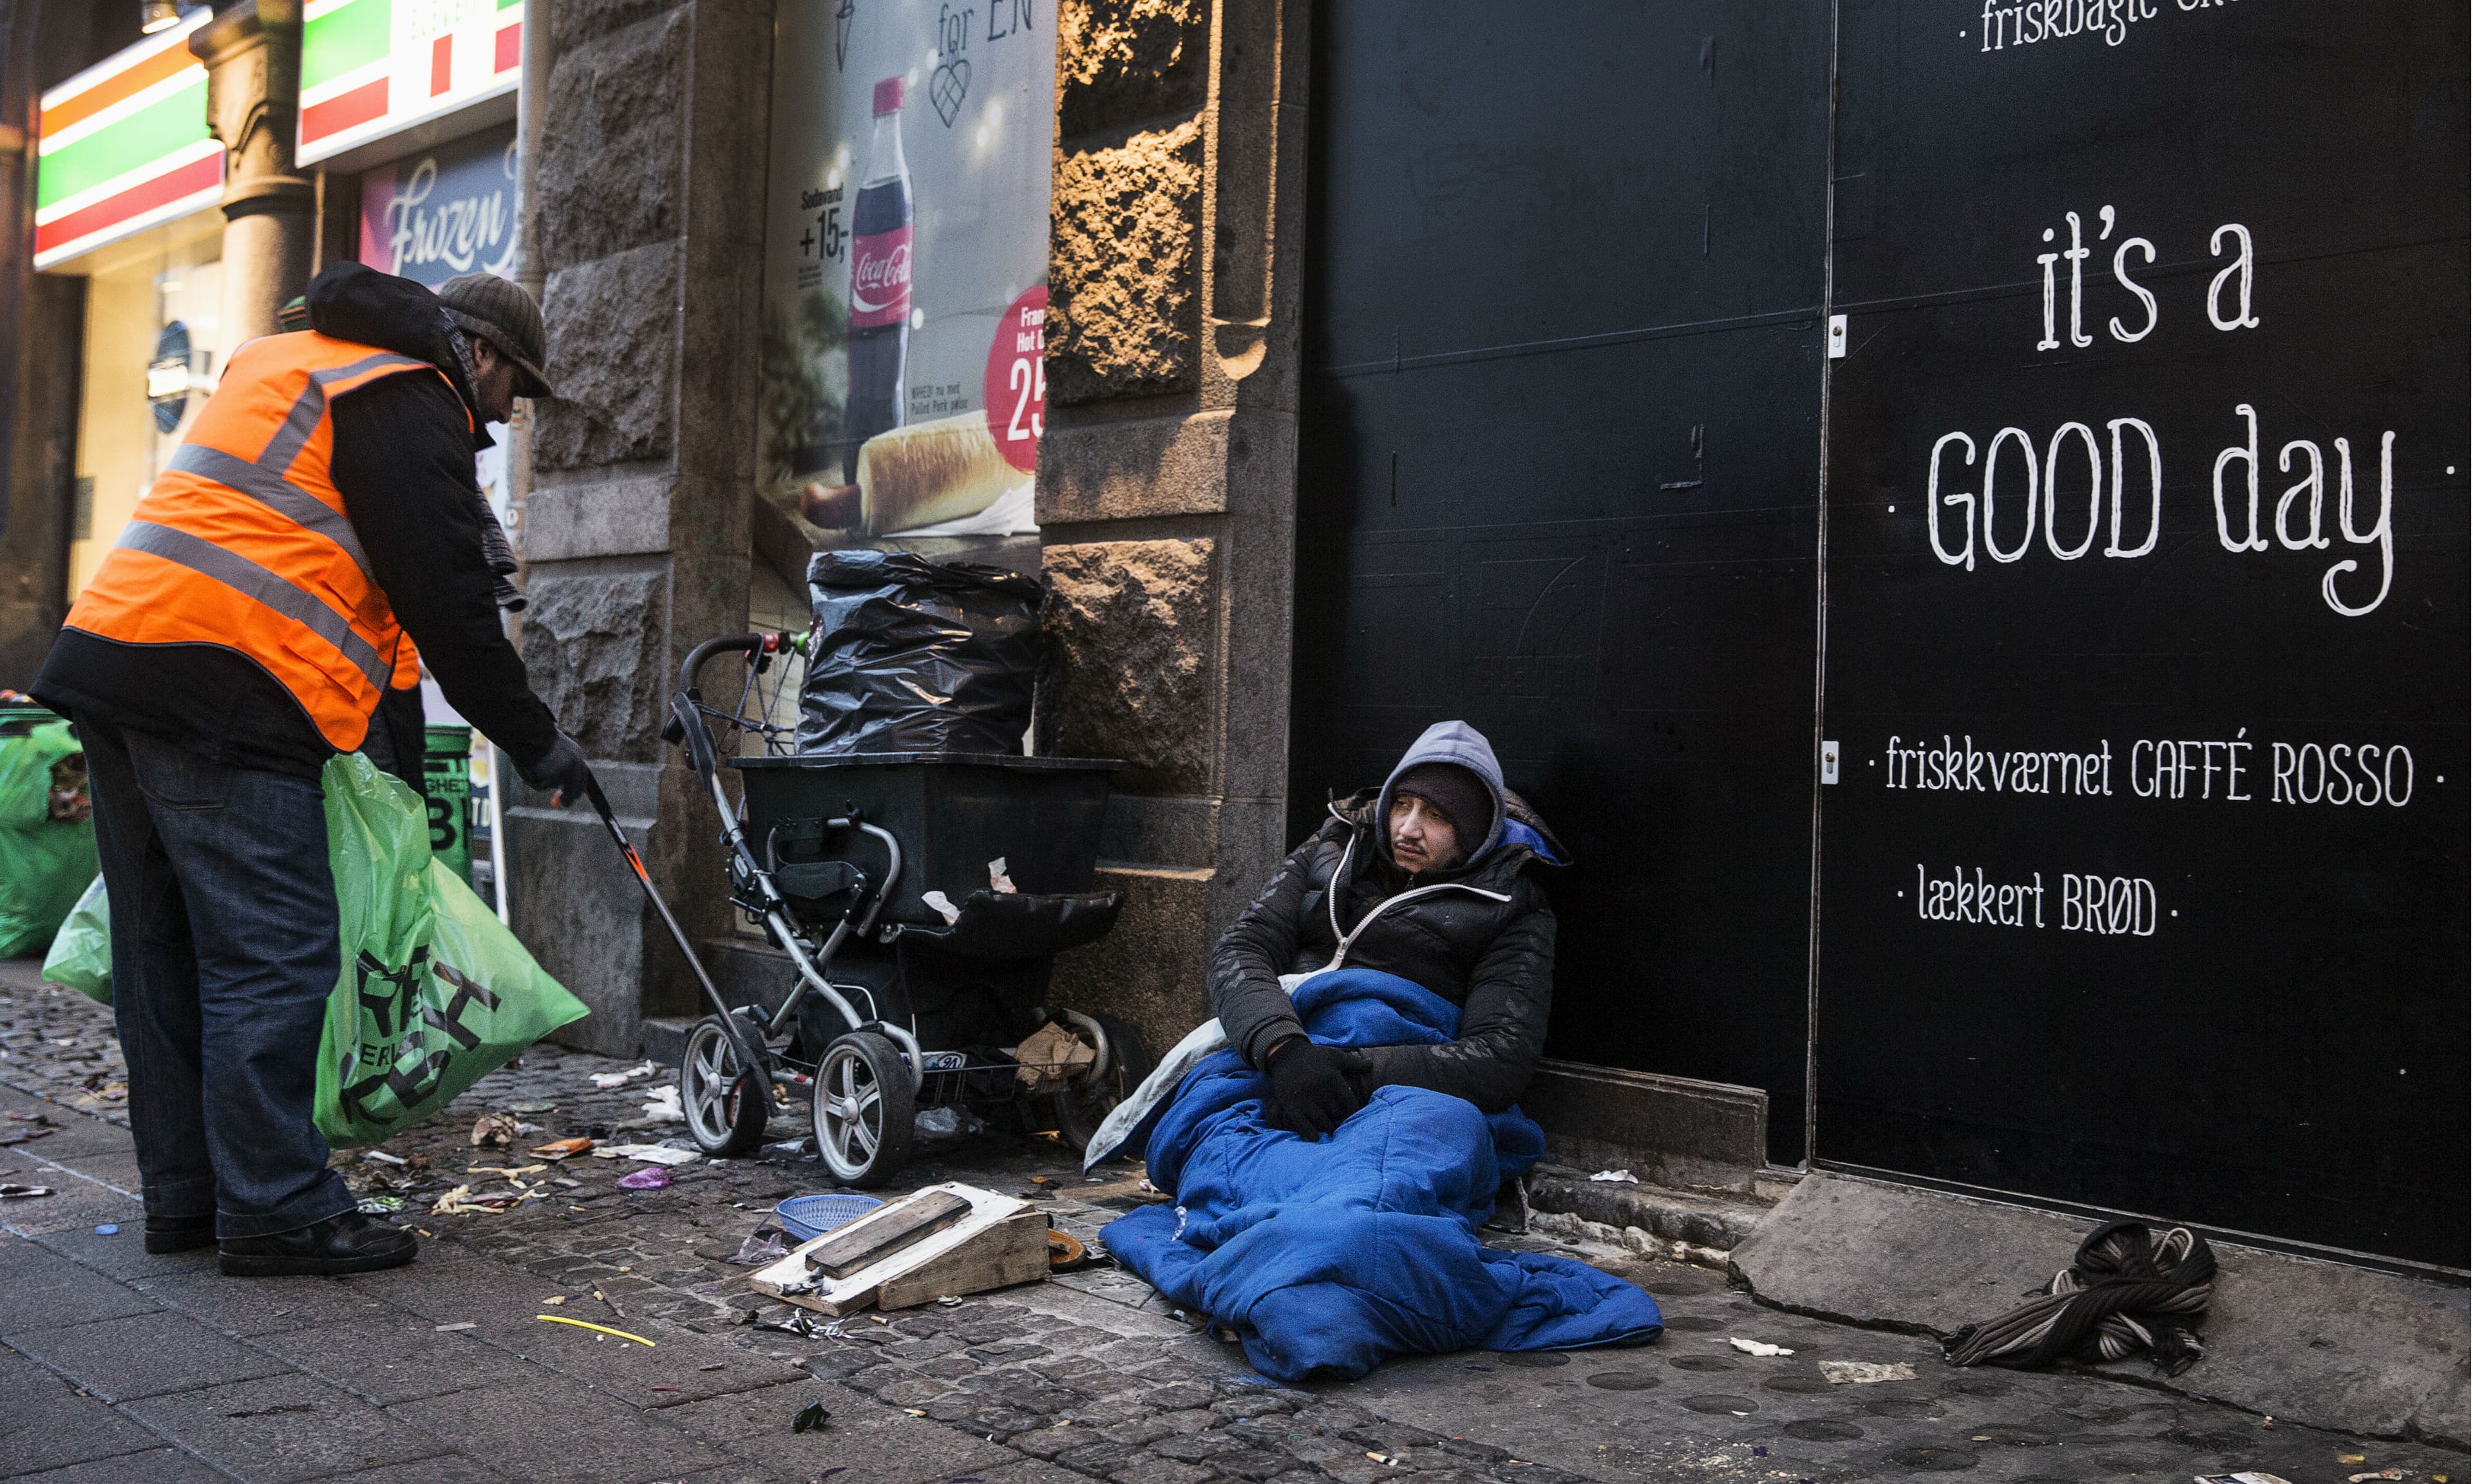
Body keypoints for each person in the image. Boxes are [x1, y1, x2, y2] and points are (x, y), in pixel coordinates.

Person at [30, 264, 598, 1277]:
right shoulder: (407, 395)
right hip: (223, 685)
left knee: (162, 944)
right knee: (275, 952)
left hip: (117, 657)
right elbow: (452, 612)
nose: (507, 419)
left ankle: (189, 1197)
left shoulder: (291, 361)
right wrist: (537, 740)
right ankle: (276, 1206)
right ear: (477, 353)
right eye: (516, 389)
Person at [1208, 720, 1566, 1138]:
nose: (1408, 829)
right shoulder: (1335, 845)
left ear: (1470, 837)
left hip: (1400, 1086)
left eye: (1436, 816)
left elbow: (1501, 1054)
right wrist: (1285, 1050)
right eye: (1402, 804)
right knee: (1208, 1131)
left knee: (1399, 1164)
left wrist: (1348, 1077)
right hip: (1287, 1052)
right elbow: (1242, 945)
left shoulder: (1512, 905)